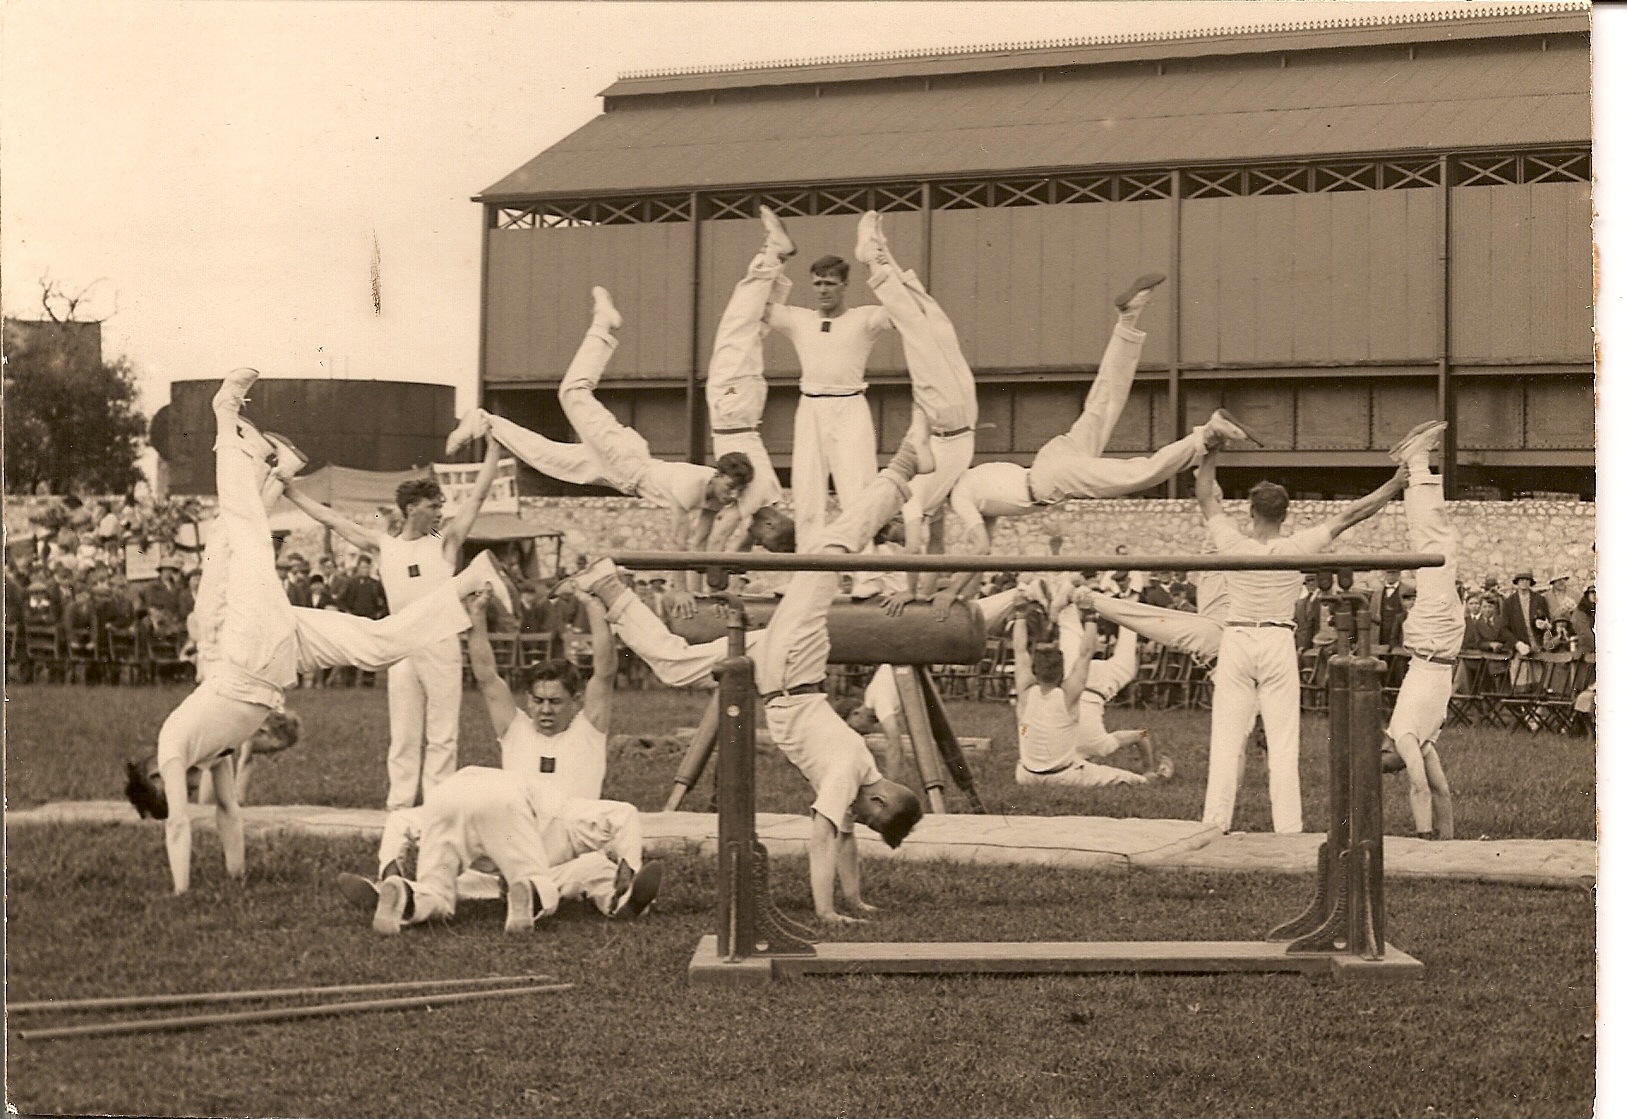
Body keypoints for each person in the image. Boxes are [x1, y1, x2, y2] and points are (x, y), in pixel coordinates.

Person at [127, 367, 514, 894]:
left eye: (178, 787)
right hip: (277, 660)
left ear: (158, 775)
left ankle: (225, 414)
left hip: (249, 653)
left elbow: (180, 827)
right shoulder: (207, 754)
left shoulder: (173, 744)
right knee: (379, 647)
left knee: (242, 533)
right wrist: (236, 877)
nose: (188, 787)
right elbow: (227, 816)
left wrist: (179, 893)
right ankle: (469, 582)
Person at [575, 441, 932, 923]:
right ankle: (903, 468)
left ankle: (608, 588)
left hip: (782, 672)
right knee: (829, 553)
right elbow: (825, 836)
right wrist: (825, 912)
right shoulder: (850, 769)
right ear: (880, 798)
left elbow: (844, 838)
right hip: (794, 668)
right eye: (871, 818)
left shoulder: (860, 775)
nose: (859, 821)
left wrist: (856, 899)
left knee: (675, 666)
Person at [929, 275, 1256, 612]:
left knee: (1136, 475)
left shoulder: (959, 497)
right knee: (1104, 400)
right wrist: (961, 593)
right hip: (1052, 457)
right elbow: (983, 553)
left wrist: (945, 592)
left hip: (1049, 479)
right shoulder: (971, 478)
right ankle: (1128, 319)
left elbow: (979, 550)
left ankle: (1206, 434)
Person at [444, 290, 760, 615]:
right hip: (626, 461)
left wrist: (702, 595)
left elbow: (699, 547)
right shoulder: (693, 486)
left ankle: (488, 423)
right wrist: (679, 591)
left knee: (547, 458)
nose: (730, 495)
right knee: (572, 392)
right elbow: (679, 543)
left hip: (619, 476)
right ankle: (602, 327)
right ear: (718, 474)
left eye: (736, 492)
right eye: (729, 486)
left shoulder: (713, 498)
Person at [280, 430, 505, 817]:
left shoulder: (445, 541)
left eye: (442, 505)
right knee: (403, 733)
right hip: (400, 645)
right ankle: (399, 807)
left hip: (441, 643)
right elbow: (332, 520)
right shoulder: (385, 545)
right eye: (434, 505)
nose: (440, 511)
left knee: (443, 734)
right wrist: (291, 492)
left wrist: (495, 450)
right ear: (411, 507)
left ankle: (438, 808)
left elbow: (479, 497)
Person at [1195, 449, 1405, 834]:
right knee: (1283, 744)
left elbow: (1206, 495)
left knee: (1227, 742)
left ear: (1250, 512)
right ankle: (1288, 829)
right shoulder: (1296, 546)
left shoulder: (1233, 543)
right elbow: (1352, 514)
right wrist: (1395, 483)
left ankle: (1214, 824)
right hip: (1276, 640)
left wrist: (1211, 449)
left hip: (1239, 637)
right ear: (1285, 514)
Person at [371, 584, 617, 887]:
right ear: (528, 700)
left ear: (575, 701)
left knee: (594, 868)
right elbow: (486, 675)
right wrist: (477, 616)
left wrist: (592, 608)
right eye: (538, 701)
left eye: (555, 702)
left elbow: (604, 674)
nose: (545, 710)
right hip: (515, 839)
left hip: (569, 840)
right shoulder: (517, 729)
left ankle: (613, 897)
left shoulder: (588, 731)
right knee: (403, 822)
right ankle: (390, 885)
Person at [350, 766, 662, 935]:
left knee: (438, 892)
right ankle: (534, 891)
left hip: (445, 795)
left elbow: (400, 820)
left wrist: (389, 867)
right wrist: (629, 864)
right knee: (536, 879)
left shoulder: (579, 857)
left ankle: (404, 895)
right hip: (505, 802)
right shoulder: (568, 815)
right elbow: (625, 813)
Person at [850, 211, 979, 598]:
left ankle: (875, 257)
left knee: (920, 326)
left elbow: (916, 549)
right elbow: (928, 550)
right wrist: (916, 594)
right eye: (893, 532)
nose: (898, 530)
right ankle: (877, 255)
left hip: (945, 415)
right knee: (933, 323)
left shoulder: (907, 497)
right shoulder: (920, 506)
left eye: (889, 530)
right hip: (961, 415)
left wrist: (911, 589)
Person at [766, 247, 893, 548]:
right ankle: (807, 570)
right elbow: (760, 305)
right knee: (807, 493)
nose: (823, 290)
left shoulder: (864, 319)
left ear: (845, 285)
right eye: (817, 283)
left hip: (849, 408)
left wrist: (875, 260)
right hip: (810, 407)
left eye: (830, 283)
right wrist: (776, 260)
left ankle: (867, 573)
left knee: (858, 491)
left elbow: (901, 308)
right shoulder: (800, 319)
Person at [703, 207, 798, 553]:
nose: (752, 534)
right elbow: (720, 534)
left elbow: (744, 538)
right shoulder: (757, 496)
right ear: (772, 523)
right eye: (761, 535)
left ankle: (777, 263)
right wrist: (713, 574)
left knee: (752, 328)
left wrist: (738, 565)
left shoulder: (771, 493)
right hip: (732, 409)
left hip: (741, 409)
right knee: (737, 327)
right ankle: (772, 254)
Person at [1379, 421, 1458, 840]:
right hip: (1439, 644)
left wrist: (1421, 832)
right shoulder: (1420, 742)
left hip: (1432, 641)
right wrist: (1443, 841)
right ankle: (1415, 468)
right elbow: (1439, 790)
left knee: (1436, 547)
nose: (1393, 769)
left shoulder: (1404, 734)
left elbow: (1417, 787)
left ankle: (1417, 462)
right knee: (1436, 545)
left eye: (1385, 764)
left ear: (1386, 747)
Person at [1009, 587, 1172, 788]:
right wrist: (1091, 616)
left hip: (1026, 775)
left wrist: (1019, 614)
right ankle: (1153, 776)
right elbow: (1086, 653)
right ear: (1062, 675)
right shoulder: (1069, 694)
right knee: (1139, 781)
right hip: (1064, 776)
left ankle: (1072, 606)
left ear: (1034, 672)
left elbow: (1019, 651)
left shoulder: (1025, 693)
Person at [1497, 570, 1550, 692]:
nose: (1524, 583)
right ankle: (1523, 709)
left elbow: (1548, 621)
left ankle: (1538, 710)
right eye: (1521, 580)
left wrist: (1544, 626)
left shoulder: (1539, 599)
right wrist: (1517, 643)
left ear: (1531, 583)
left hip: (1538, 646)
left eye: (1527, 580)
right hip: (1520, 648)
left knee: (1540, 682)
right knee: (1520, 682)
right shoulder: (1509, 602)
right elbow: (1503, 629)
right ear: (1517, 583)